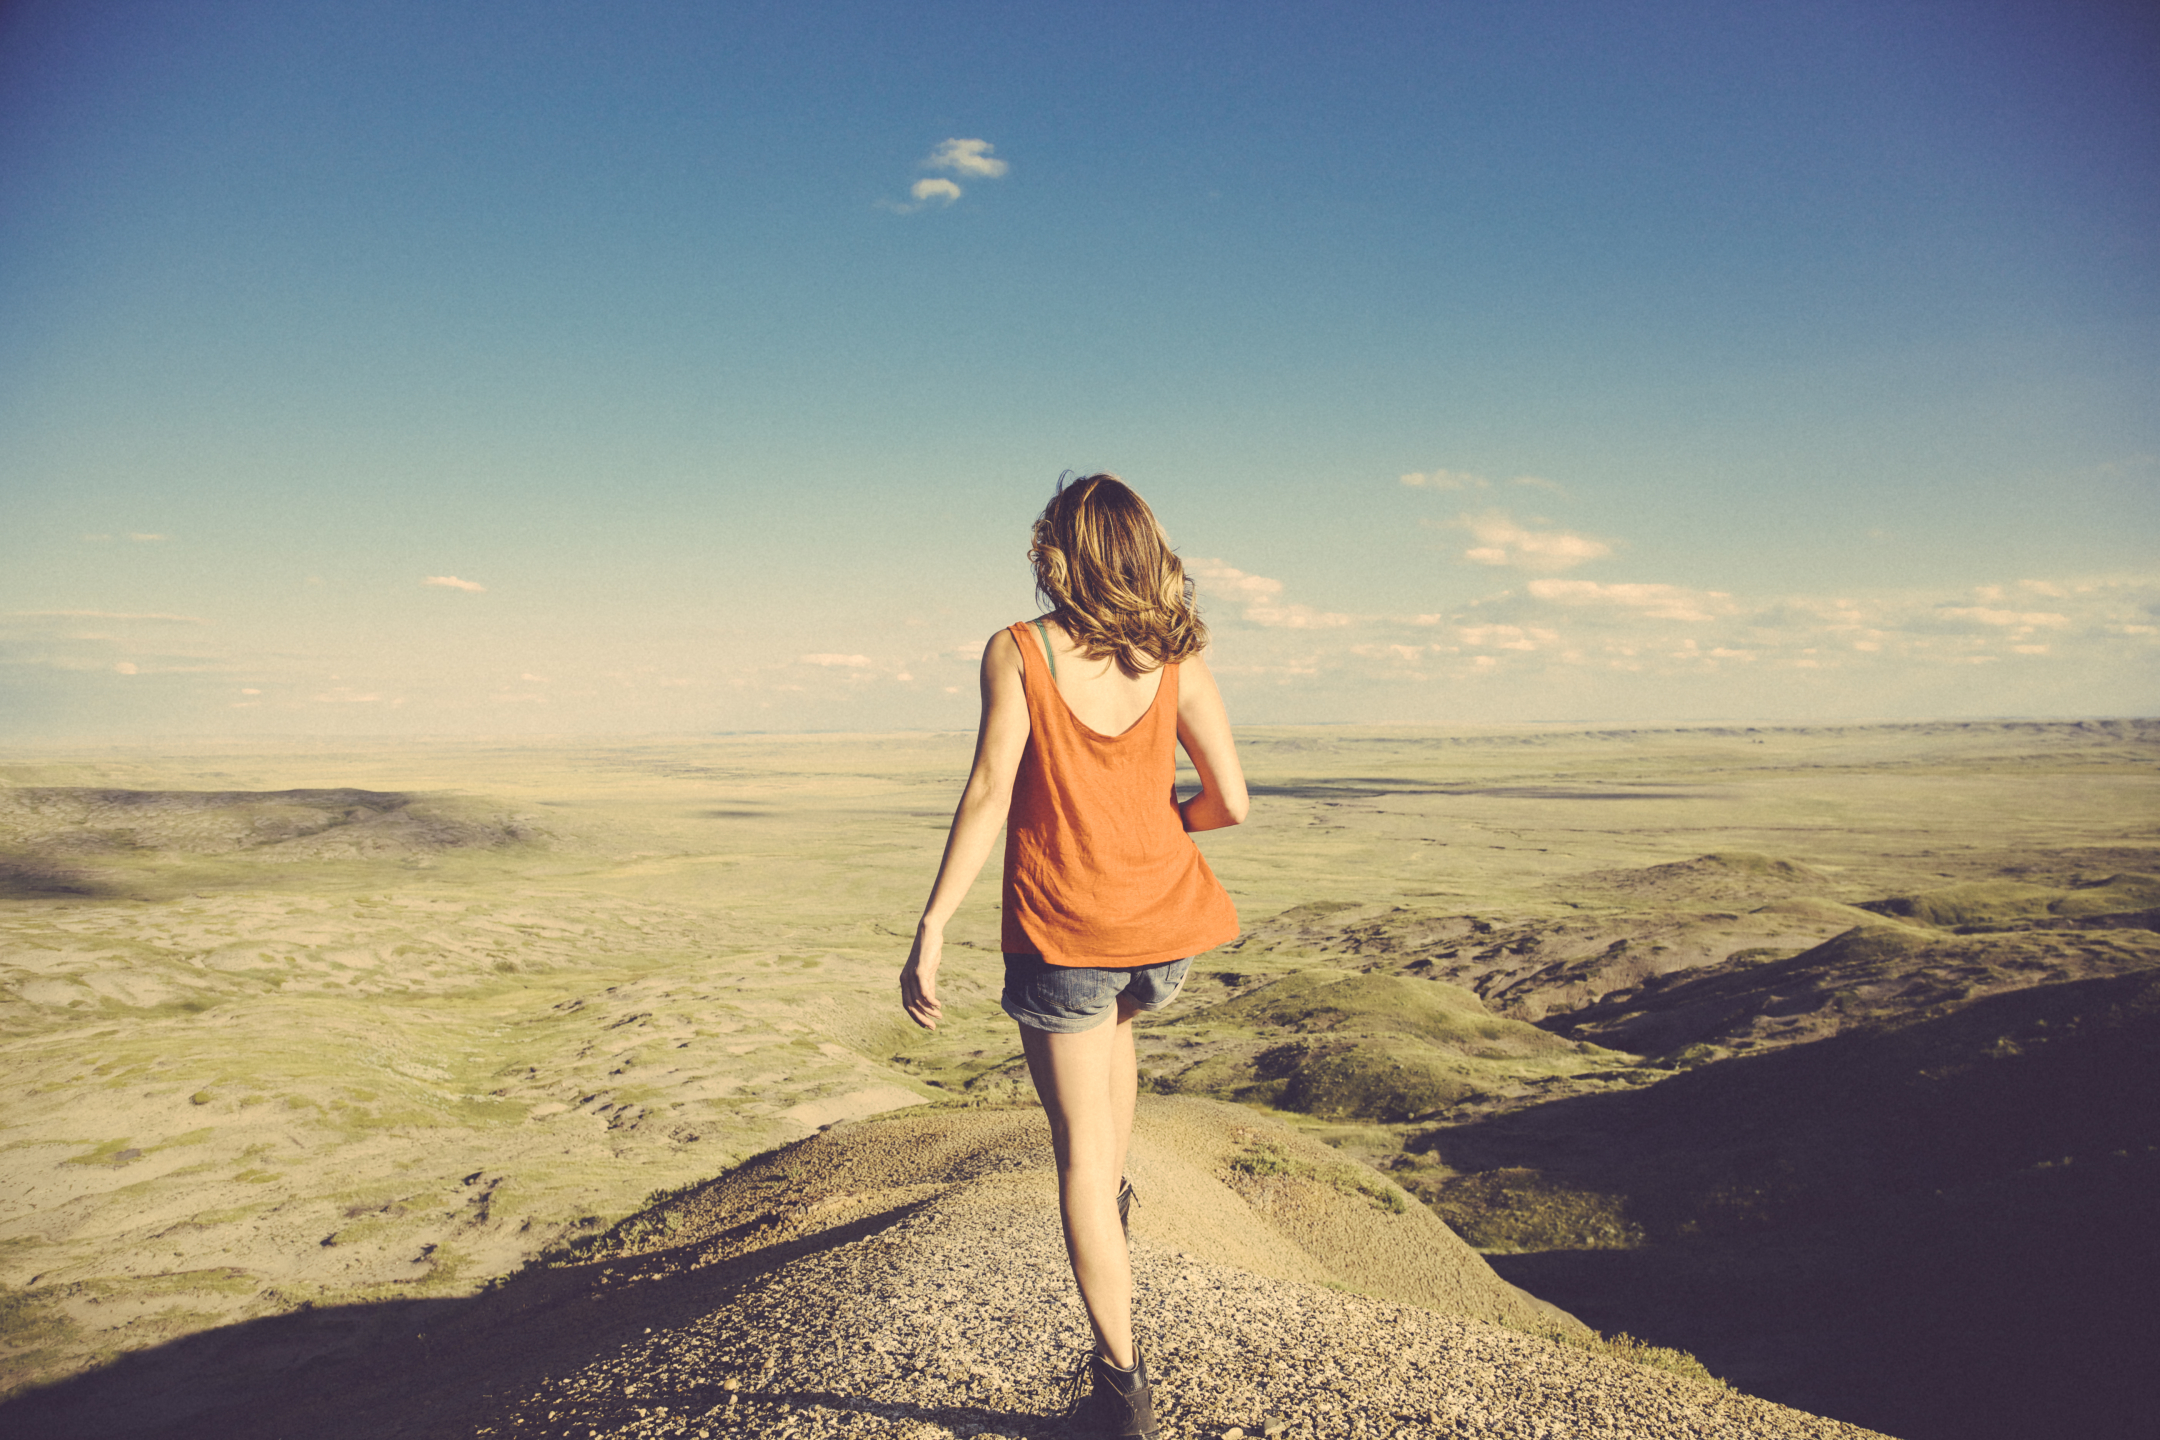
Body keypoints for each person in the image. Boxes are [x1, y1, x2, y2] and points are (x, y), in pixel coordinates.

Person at [899, 473, 1250, 1439]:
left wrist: (932, 925)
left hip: (1065, 932)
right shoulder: (1173, 655)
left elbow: (988, 793)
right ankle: (1117, 1231)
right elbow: (1231, 801)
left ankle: (1119, 1390)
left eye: (1043, 540)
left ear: (1064, 552)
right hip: (1160, 930)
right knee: (1115, 1073)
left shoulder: (1017, 651)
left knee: (1080, 1165)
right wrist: (1156, 826)